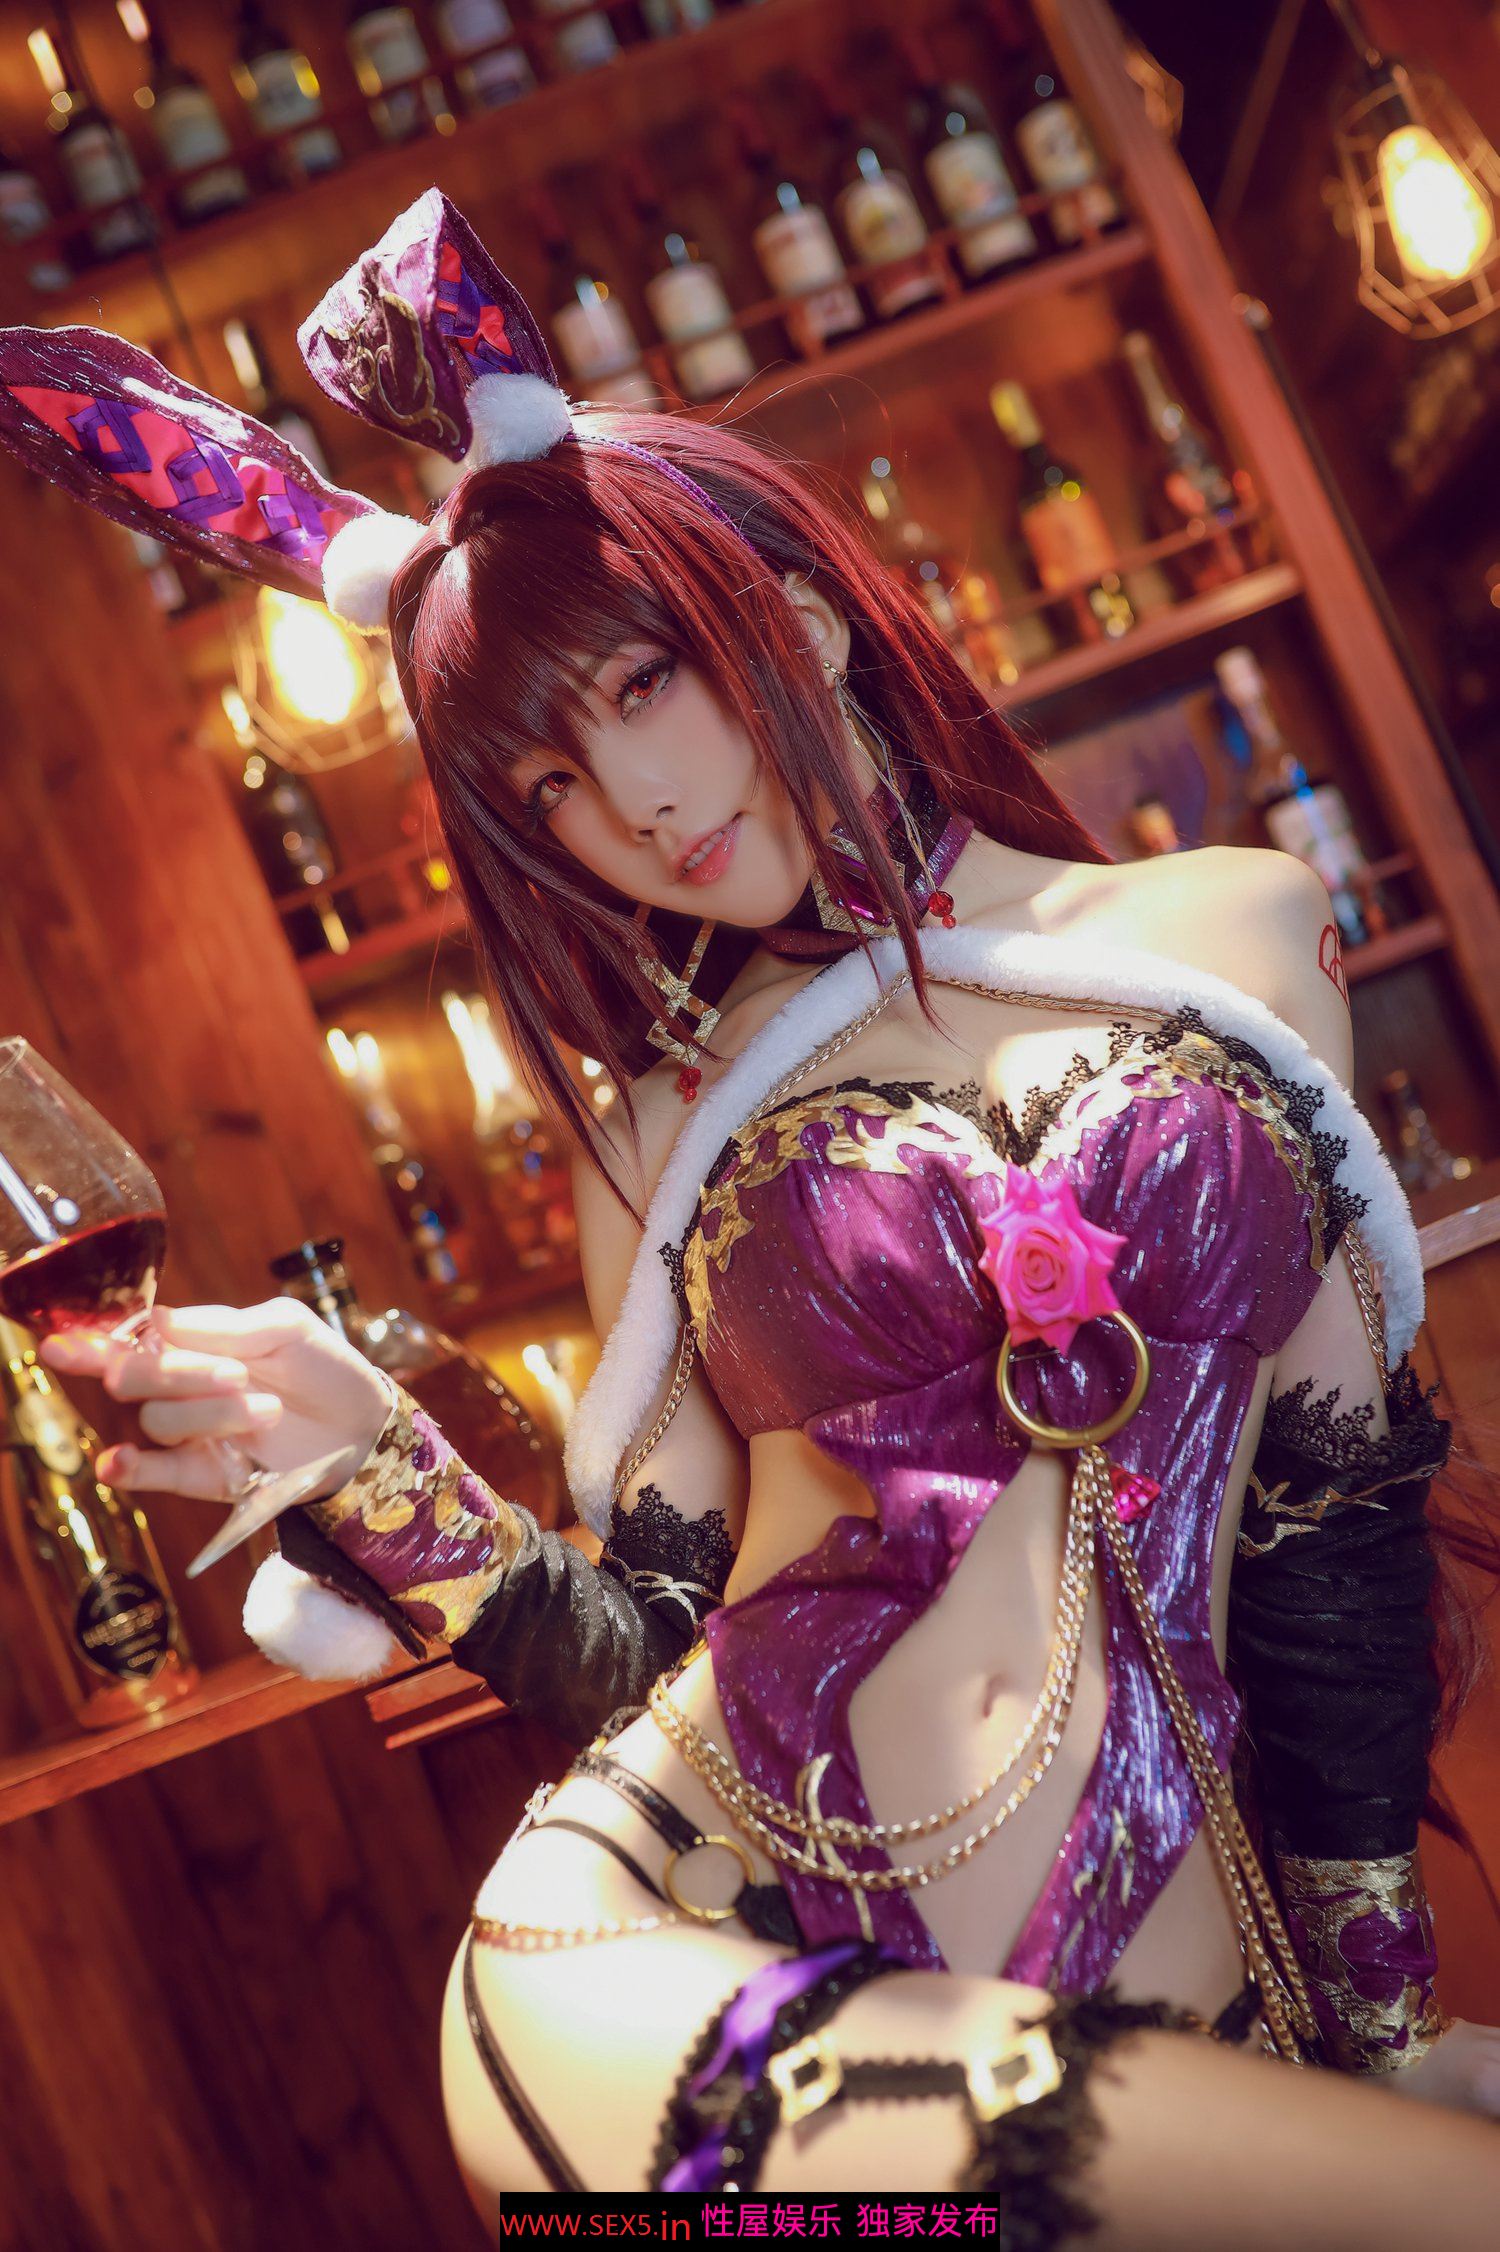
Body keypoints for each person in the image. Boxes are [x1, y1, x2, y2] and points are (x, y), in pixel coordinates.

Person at [8, 192, 1500, 2233]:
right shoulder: (660, 1127)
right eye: (548, 785)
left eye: (643, 685)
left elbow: (1331, 1523)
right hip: (672, 1933)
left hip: (1162, 1995)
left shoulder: (1229, 932)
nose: (632, 806)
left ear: (791, 619)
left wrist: (1380, 2010)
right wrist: (378, 1473)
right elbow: (641, 1645)